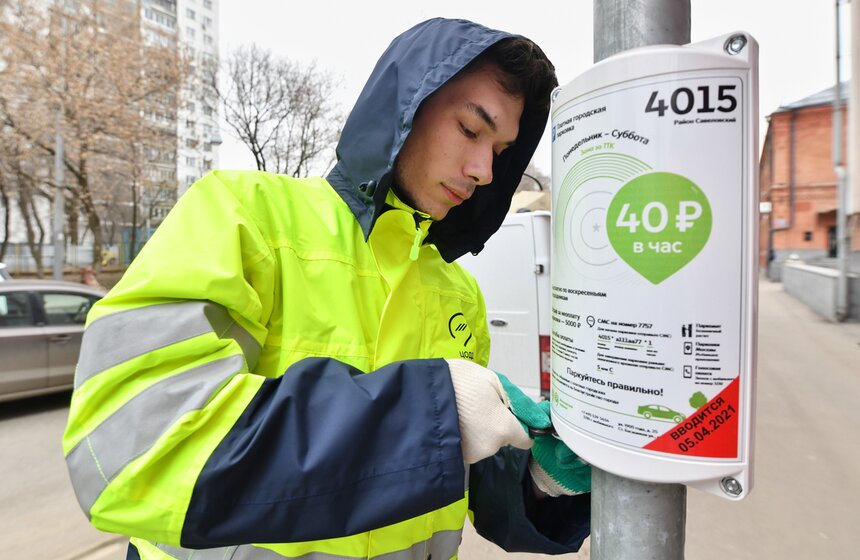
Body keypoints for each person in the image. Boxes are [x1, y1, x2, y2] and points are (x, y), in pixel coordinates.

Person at [63, 17, 590, 560]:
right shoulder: (244, 214)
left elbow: (456, 475)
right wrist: (432, 409)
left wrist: (541, 484)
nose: (483, 169)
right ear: (406, 107)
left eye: (501, 152)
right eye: (471, 129)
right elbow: (132, 450)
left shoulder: (458, 291)